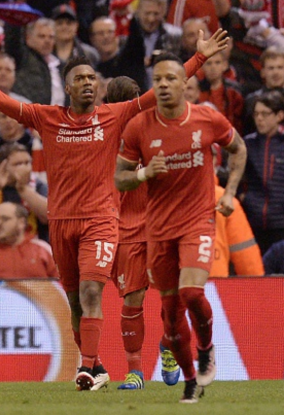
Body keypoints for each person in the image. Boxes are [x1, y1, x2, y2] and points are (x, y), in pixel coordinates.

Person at [0, 27, 229, 392]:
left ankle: (86, 368)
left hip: (101, 220)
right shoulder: (46, 117)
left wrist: (199, 57)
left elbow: (159, 92)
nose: (87, 83)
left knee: (90, 291)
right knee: (74, 302)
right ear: (68, 88)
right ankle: (98, 366)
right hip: (60, 222)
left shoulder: (114, 115)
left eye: (91, 78)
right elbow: (0, 101)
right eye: (80, 79)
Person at [114, 52, 247, 403]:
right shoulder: (138, 127)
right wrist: (144, 173)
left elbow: (239, 149)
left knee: (191, 294)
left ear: (185, 84)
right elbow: (120, 178)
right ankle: (191, 380)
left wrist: (230, 191)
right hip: (157, 230)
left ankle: (206, 348)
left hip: (198, 221)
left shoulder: (206, 118)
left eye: (170, 79)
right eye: (157, 80)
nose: (163, 85)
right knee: (171, 319)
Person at [105, 76, 181, 391]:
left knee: (173, 295)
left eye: (140, 96)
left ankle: (168, 345)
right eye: (131, 98)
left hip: (161, 221)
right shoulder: (105, 134)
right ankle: (135, 372)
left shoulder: (158, 127)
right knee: (132, 300)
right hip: (126, 226)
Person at [241, 90, 284, 254]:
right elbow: (235, 175)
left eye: (265, 114)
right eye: (256, 114)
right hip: (253, 223)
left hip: (280, 225)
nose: (259, 118)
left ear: (279, 116)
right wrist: (243, 197)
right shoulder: (247, 144)